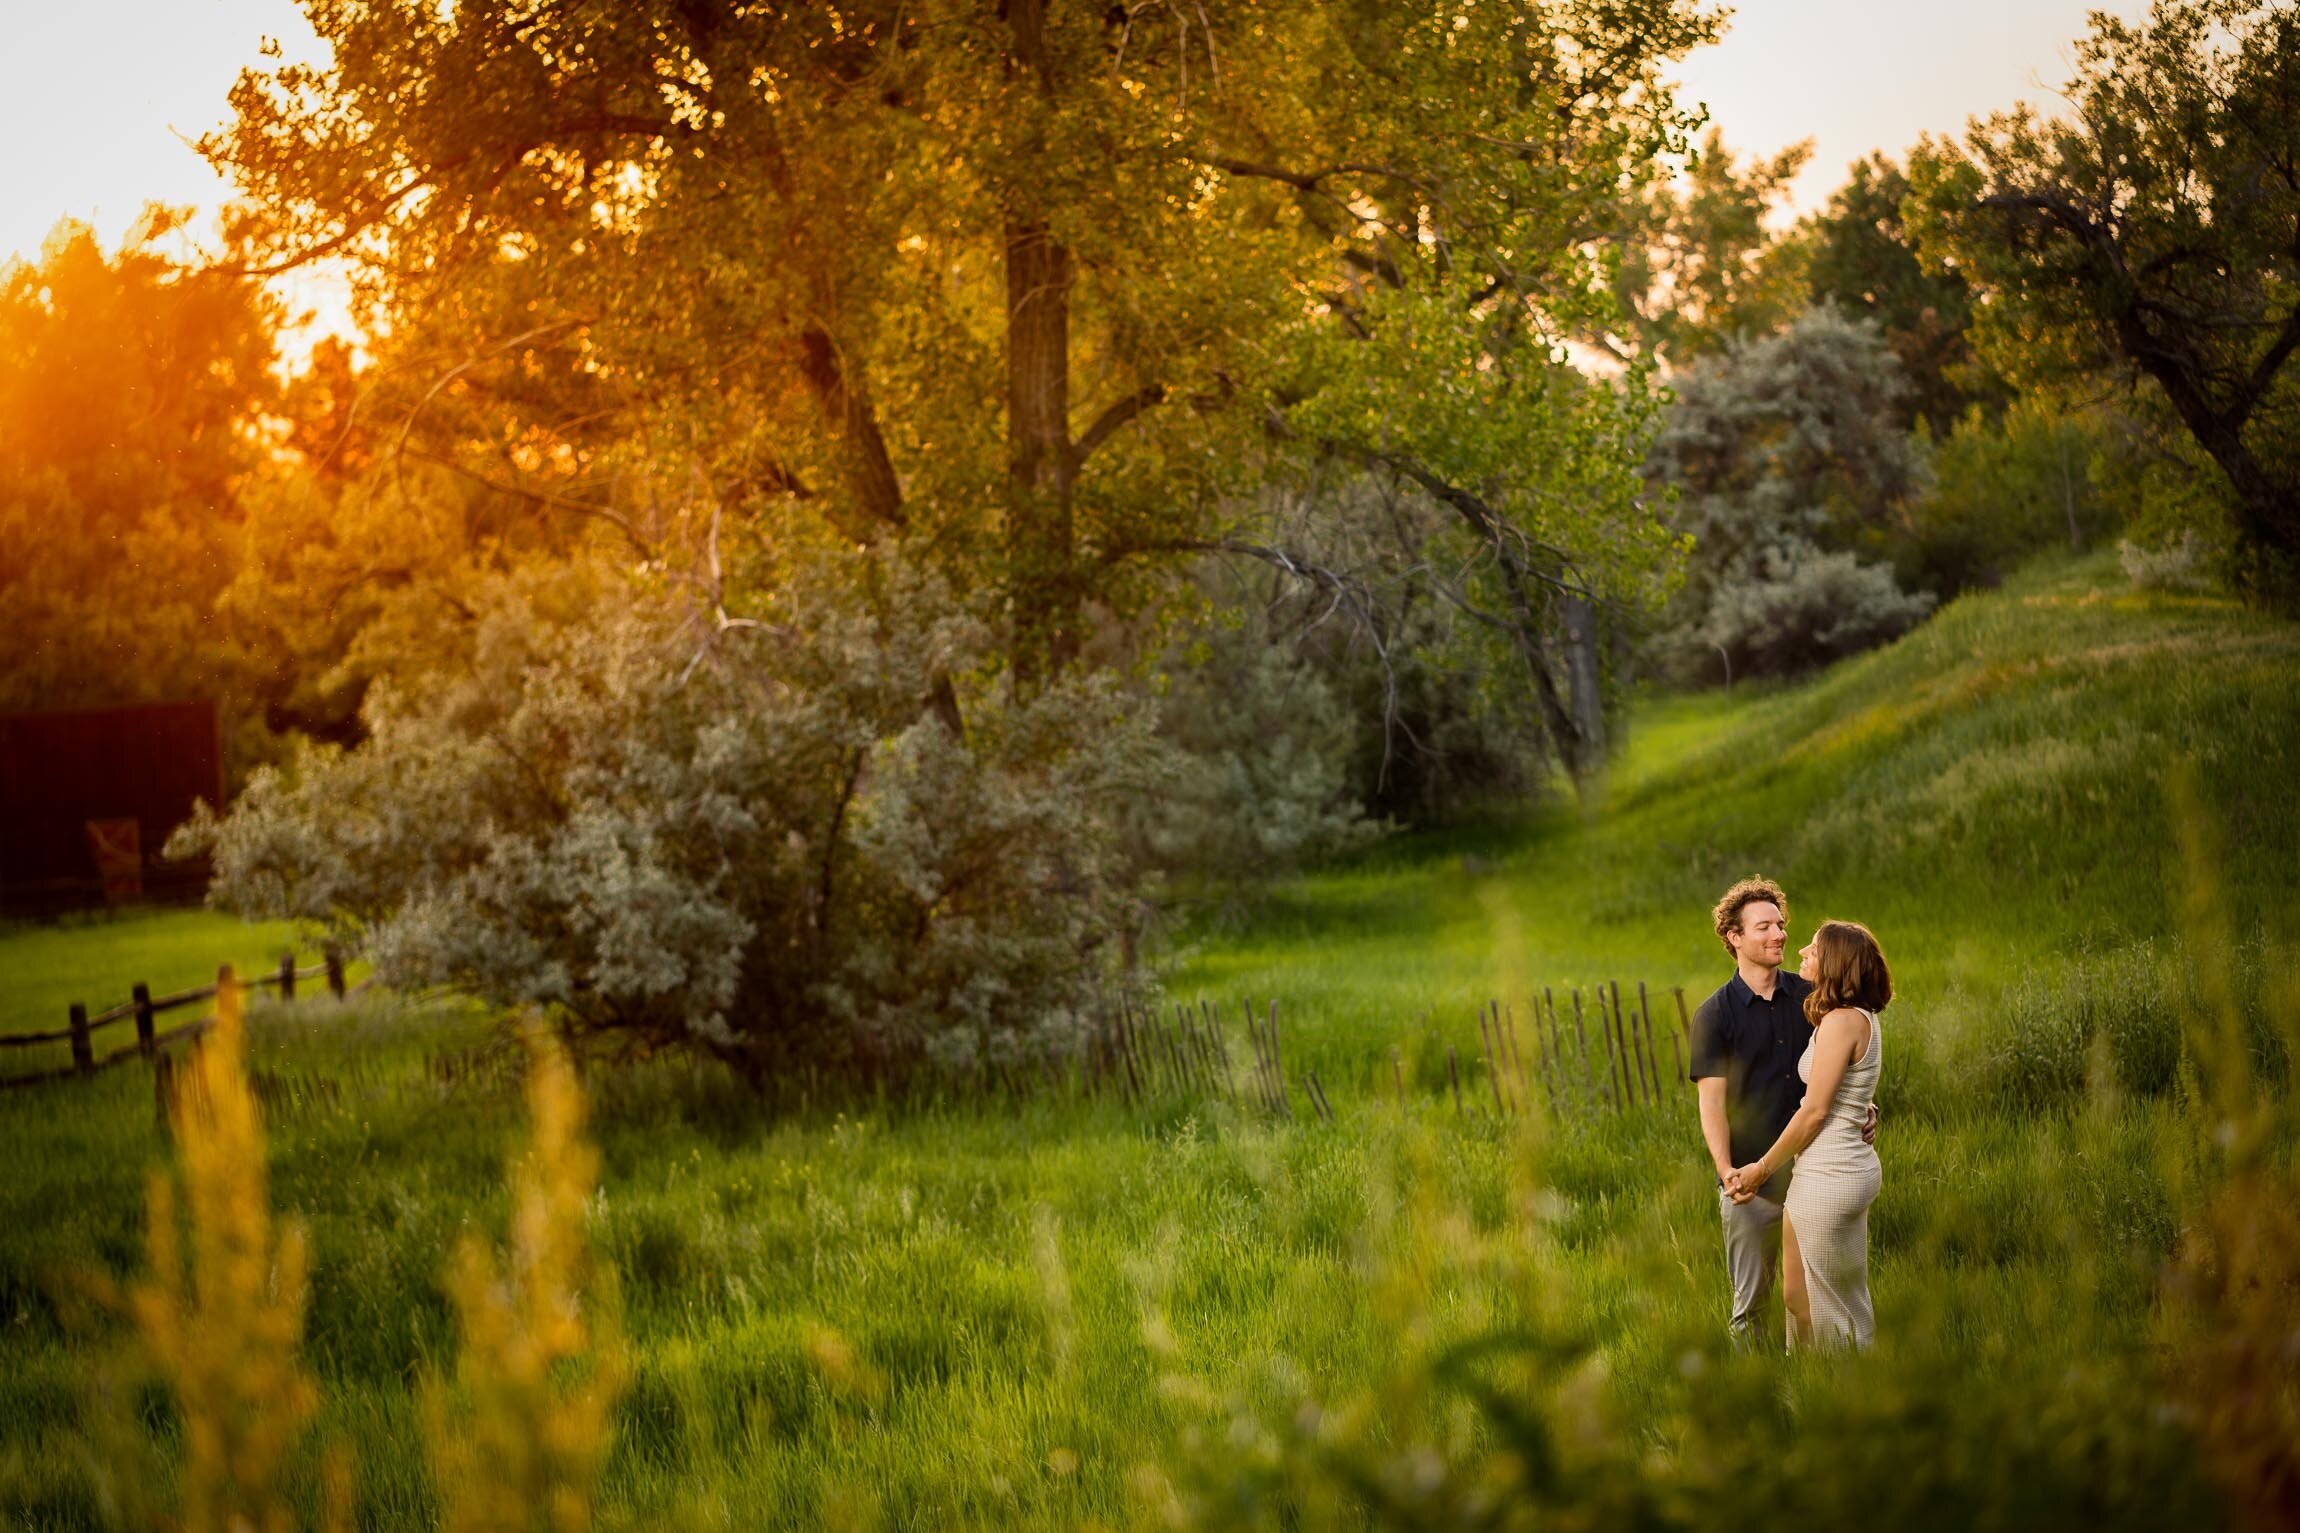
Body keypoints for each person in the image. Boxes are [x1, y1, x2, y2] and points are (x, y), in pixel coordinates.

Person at [1687, 878, 1875, 1346]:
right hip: (1753, 1185)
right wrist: (1727, 1169)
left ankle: (1820, 1387)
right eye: (1764, 926)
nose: (1779, 935)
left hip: (1815, 1177)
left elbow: (1844, 1064)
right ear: (1734, 937)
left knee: (1814, 1299)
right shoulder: (1715, 1015)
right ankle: (1757, 1406)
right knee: (1751, 1307)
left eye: (1780, 924)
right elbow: (1711, 1103)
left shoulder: (1812, 996)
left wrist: (1863, 1106)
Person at [1731, 920, 1890, 1350]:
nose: (1801, 950)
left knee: (1835, 1309)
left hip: (1830, 1176)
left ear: (1835, 963)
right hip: (1828, 1170)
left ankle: (1850, 1398)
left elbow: (1816, 1109)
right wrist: (1865, 1108)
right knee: (1797, 1296)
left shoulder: (1842, 1021)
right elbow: (1846, 1090)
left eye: (1814, 950)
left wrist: (1761, 1168)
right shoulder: (1851, 1017)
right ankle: (1805, 1392)